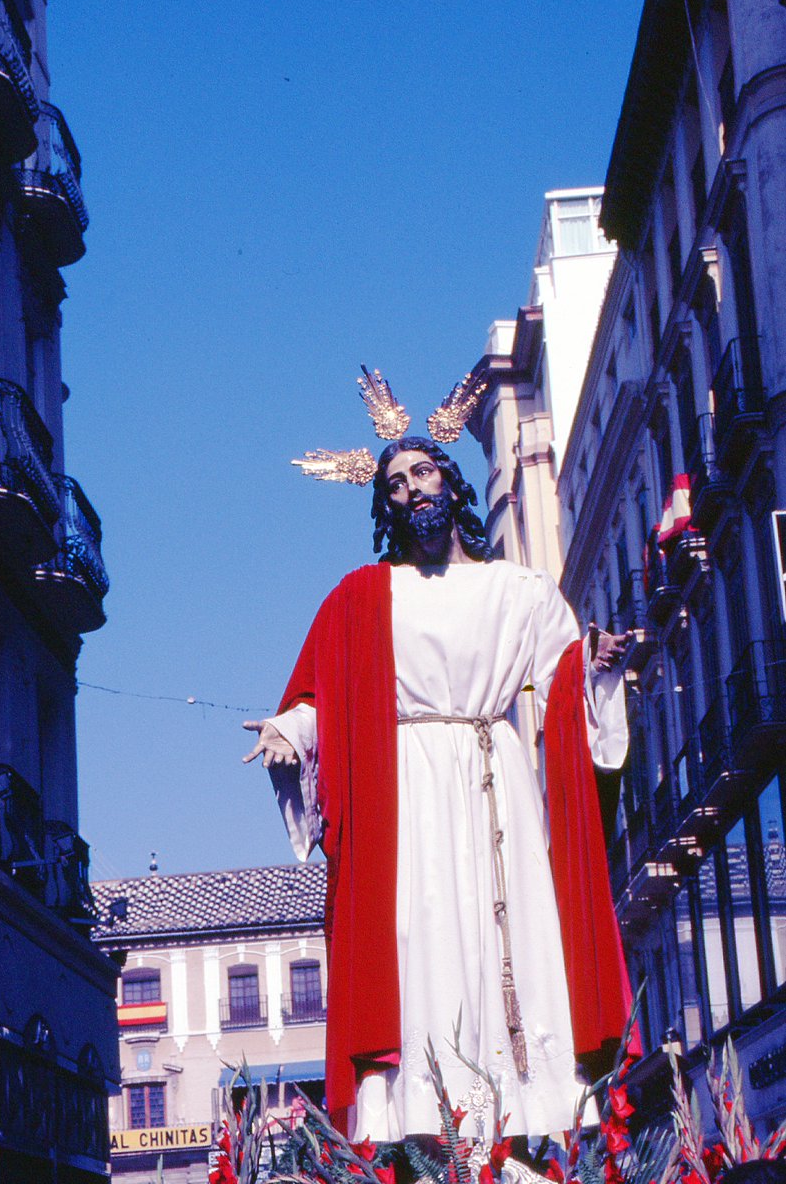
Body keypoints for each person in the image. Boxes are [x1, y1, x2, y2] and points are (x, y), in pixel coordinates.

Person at [244, 436, 636, 1143]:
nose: (411, 490)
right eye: (394, 484)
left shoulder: (518, 591)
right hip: (410, 793)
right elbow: (319, 697)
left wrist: (597, 666)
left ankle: (522, 1112)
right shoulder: (362, 598)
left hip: (496, 777)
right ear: (386, 505)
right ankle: (430, 1115)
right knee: (420, 928)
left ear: (451, 485)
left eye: (422, 473)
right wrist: (287, 733)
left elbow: (563, 678)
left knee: (512, 924)